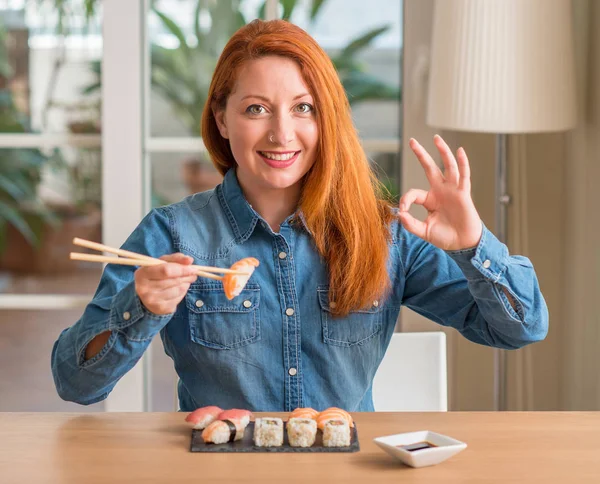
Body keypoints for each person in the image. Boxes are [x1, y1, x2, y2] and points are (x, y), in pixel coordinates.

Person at [51, 19, 548, 412]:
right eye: (256, 109)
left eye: (303, 108)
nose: (282, 134)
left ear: (325, 118)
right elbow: (75, 383)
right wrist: (140, 306)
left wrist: (472, 244)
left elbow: (520, 329)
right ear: (222, 119)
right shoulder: (172, 233)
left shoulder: (383, 234)